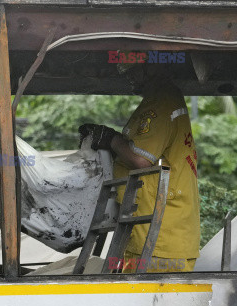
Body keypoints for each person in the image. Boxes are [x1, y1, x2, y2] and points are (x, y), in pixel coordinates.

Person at [79, 62, 200, 272]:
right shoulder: (157, 101)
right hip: (151, 231)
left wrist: (111, 139)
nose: (126, 74)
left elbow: (140, 159)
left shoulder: (162, 102)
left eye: (132, 68)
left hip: (159, 238)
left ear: (153, 67)